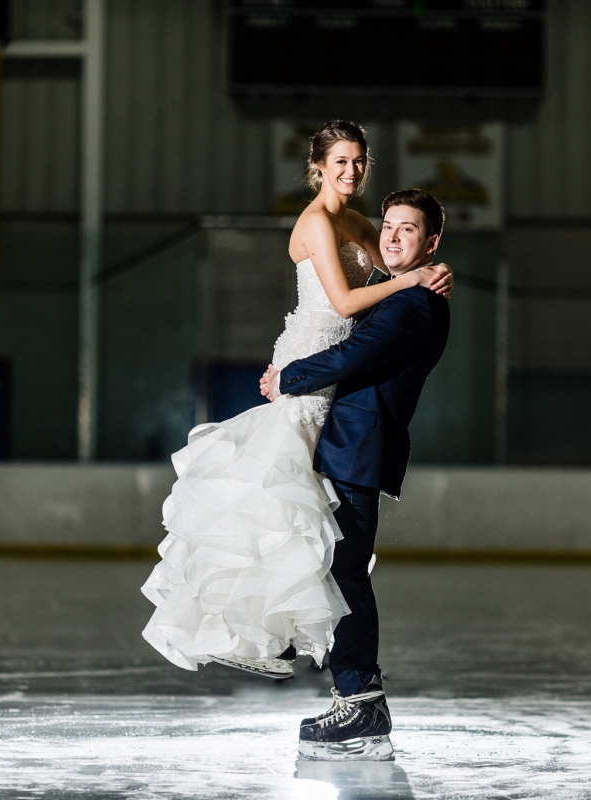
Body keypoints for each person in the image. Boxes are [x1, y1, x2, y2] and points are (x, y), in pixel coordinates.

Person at [140, 121, 452, 679]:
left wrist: (429, 270)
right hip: (314, 359)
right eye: (341, 162)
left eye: (359, 161)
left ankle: (283, 638)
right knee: (275, 502)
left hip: (338, 369)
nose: (352, 171)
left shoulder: (361, 222)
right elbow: (348, 301)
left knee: (307, 516)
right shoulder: (315, 222)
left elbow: (396, 273)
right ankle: (247, 631)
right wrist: (413, 280)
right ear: (318, 166)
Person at [260, 188, 451, 761]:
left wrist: (288, 377)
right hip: (346, 446)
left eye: (408, 229)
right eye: (388, 225)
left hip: (358, 450)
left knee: (345, 575)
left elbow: (352, 356)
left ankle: (362, 703)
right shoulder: (403, 292)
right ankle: (344, 686)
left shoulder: (415, 305)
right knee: (333, 566)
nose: (391, 236)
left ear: (431, 244)